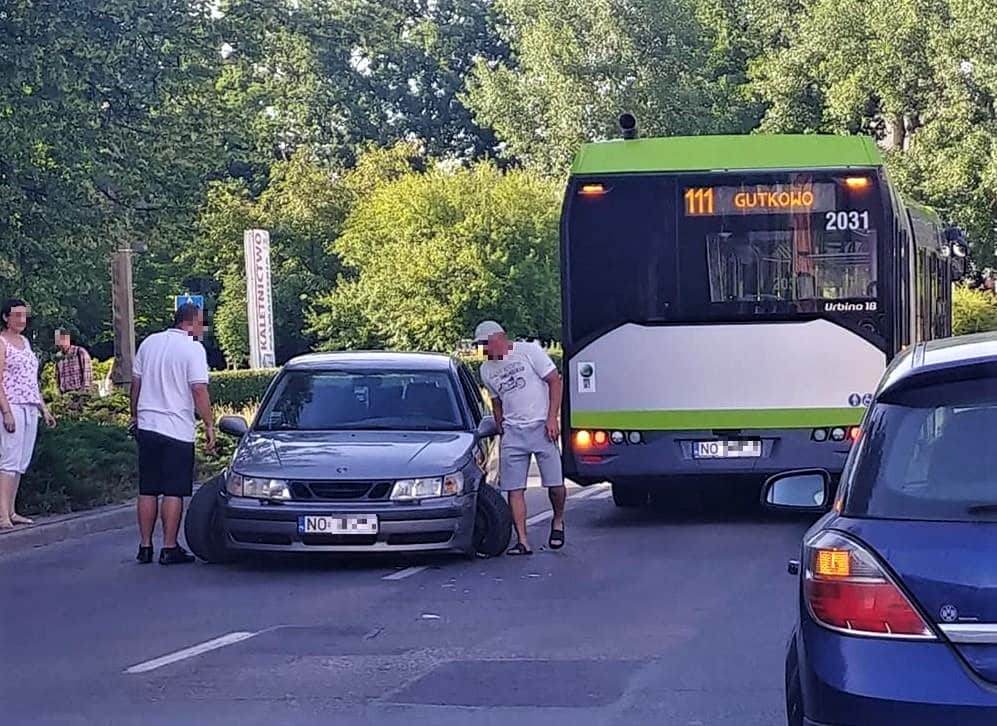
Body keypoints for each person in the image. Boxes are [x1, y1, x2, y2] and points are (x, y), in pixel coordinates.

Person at [130, 303, 215, 565]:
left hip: (148, 424)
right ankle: (169, 547)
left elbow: (136, 384)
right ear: (190, 323)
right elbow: (198, 389)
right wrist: (209, 424)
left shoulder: (149, 343)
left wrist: (134, 415)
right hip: (176, 428)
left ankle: (145, 547)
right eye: (201, 323)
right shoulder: (193, 349)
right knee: (173, 491)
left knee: (147, 489)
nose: (202, 328)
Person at [476, 320, 565, 555]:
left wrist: (552, 418)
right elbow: (495, 400)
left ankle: (558, 520)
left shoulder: (528, 351)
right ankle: (522, 540)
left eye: (487, 344)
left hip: (540, 425)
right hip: (513, 432)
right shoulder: (486, 370)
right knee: (514, 489)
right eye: (481, 346)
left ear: (501, 338)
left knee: (555, 485)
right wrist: (500, 422)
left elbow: (554, 380)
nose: (484, 350)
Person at [0, 299, 57, 528]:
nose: (21, 320)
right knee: (9, 460)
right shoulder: (2, 342)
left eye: (24, 315)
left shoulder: (24, 342)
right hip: (12, 404)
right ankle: (2, 514)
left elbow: (30, 380)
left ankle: (12, 511)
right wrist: (6, 412)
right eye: (16, 315)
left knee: (21, 461)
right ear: (6, 317)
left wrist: (44, 408)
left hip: (30, 405)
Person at [54, 329, 94, 394]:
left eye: (63, 340)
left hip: (78, 391)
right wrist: (59, 391)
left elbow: (87, 371)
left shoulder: (79, 352)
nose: (61, 344)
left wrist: (85, 390)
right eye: (59, 341)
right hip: (65, 394)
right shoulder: (58, 357)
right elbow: (57, 375)